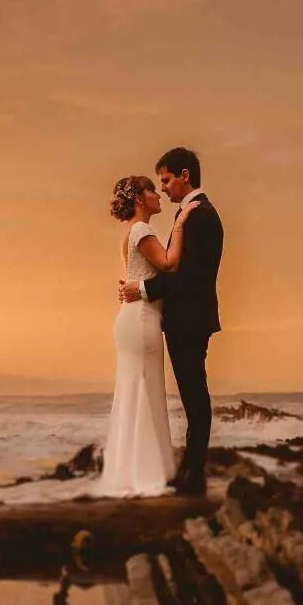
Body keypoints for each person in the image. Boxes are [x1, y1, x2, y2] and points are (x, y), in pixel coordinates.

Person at [119, 147, 223, 496]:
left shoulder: (201, 216)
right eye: (158, 183)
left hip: (190, 319)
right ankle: (190, 471)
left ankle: (193, 474)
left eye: (165, 180)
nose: (163, 188)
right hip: (184, 319)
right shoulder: (191, 215)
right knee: (193, 395)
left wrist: (143, 289)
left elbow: (187, 275)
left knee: (194, 395)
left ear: (184, 176)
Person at [96, 174, 197, 495]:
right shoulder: (141, 229)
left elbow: (136, 278)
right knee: (144, 388)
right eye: (152, 190)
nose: (158, 194)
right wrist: (180, 225)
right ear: (140, 199)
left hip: (132, 318)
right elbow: (168, 264)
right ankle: (145, 473)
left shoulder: (129, 234)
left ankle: (131, 469)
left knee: (136, 390)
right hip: (141, 320)